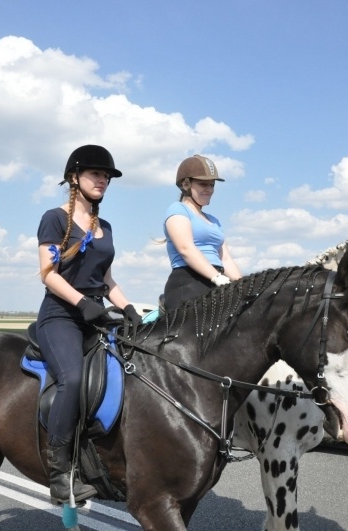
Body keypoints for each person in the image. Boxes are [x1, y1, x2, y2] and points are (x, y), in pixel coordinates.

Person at [36, 144, 142, 505]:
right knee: (74, 378)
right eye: (96, 173)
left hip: (95, 315)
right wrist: (82, 302)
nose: (103, 180)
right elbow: (48, 274)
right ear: (74, 177)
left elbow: (107, 280)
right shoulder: (55, 218)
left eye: (107, 176)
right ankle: (59, 473)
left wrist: (128, 308)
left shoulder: (105, 227)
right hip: (61, 315)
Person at [162, 155, 242, 312]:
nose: (209, 189)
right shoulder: (177, 210)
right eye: (203, 184)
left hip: (217, 281)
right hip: (188, 281)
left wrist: (244, 285)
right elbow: (186, 249)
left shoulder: (214, 220)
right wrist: (216, 277)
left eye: (212, 185)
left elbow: (225, 259)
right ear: (185, 184)